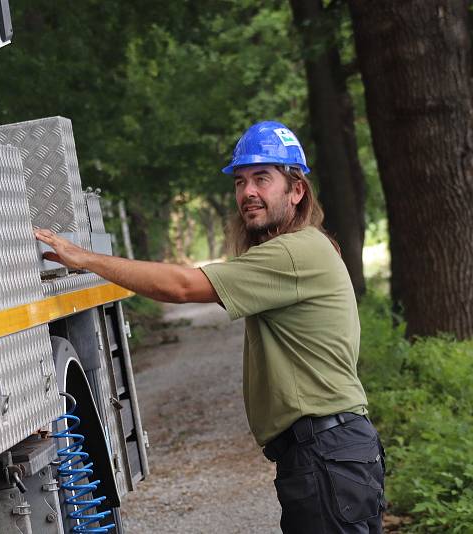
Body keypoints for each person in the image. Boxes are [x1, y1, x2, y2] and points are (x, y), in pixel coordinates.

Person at [34, 120, 386, 533]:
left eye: (261, 179)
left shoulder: (295, 252)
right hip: (327, 452)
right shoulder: (296, 250)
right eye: (240, 182)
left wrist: (85, 259)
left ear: (296, 190)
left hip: (327, 453)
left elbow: (184, 286)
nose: (247, 192)